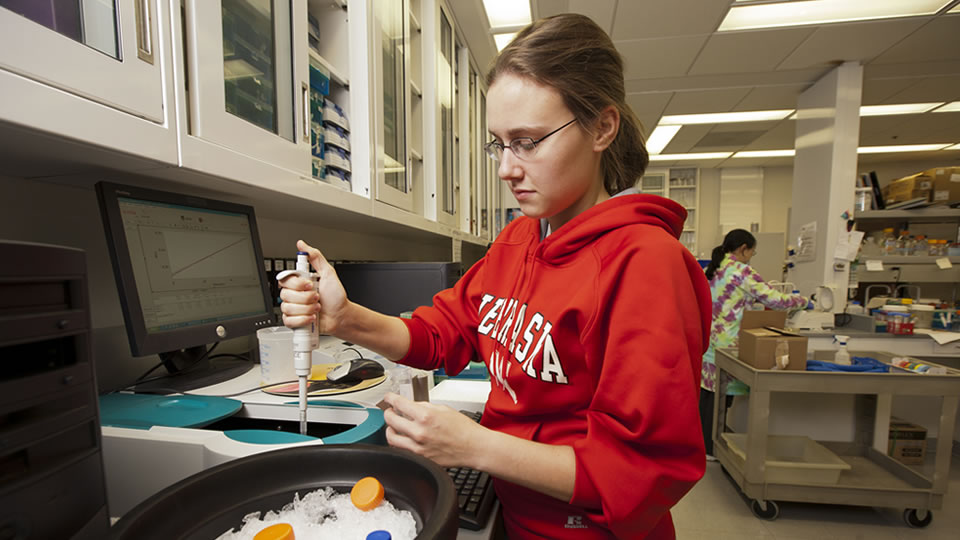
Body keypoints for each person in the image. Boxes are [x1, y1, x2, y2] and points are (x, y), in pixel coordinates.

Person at [280, 14, 711, 539]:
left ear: (602, 127)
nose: (506, 167)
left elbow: (645, 469)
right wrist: (344, 318)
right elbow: (442, 334)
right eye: (498, 143)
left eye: (528, 141)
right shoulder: (518, 242)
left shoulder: (643, 263)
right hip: (517, 516)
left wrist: (474, 446)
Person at [700, 229, 808, 458]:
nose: (751, 256)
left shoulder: (711, 269)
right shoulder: (742, 272)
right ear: (743, 249)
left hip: (707, 343)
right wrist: (803, 301)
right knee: (722, 397)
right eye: (752, 252)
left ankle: (704, 445)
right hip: (729, 343)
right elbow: (774, 300)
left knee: (708, 394)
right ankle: (713, 448)